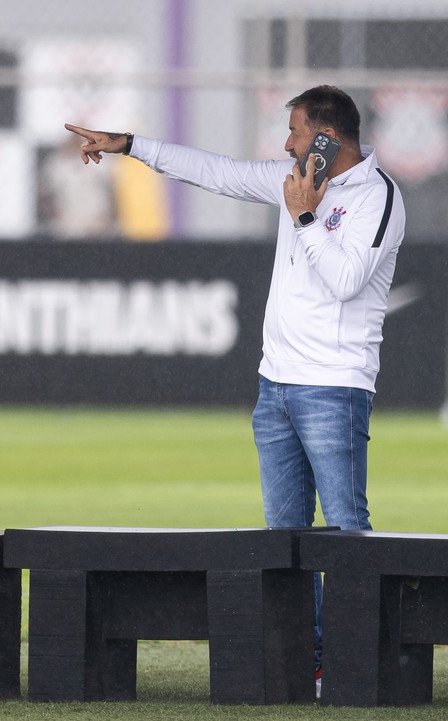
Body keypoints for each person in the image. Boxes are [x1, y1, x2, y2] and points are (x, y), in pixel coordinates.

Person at [65, 85, 406, 697]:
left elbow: (347, 281)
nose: (287, 144)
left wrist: (304, 215)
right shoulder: (294, 177)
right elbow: (217, 173)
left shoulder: (378, 197)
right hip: (275, 386)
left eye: (296, 133)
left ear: (327, 138)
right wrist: (131, 146)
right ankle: (304, 662)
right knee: (282, 538)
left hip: (333, 387)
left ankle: (354, 667)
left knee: (348, 531)